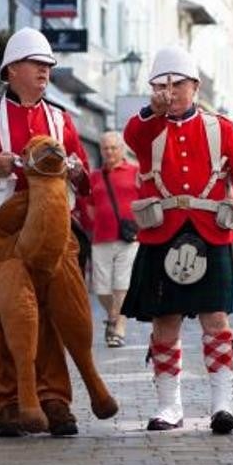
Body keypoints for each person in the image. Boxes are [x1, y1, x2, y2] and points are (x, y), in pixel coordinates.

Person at [0, 27, 92, 437]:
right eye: (35, 64)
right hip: (3, 228)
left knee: (56, 314)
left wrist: (77, 172)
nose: (44, 71)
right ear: (12, 69)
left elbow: (86, 178)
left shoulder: (62, 119)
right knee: (7, 317)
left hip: (52, 229)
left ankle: (55, 400)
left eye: (47, 65)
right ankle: (10, 402)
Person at [121, 45, 233, 435]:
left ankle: (222, 404)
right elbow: (134, 136)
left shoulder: (220, 127)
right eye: (161, 85)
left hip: (210, 230)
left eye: (177, 84)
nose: (169, 92)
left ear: (195, 87)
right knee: (164, 321)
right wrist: (152, 110)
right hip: (162, 231)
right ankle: (169, 406)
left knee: (216, 320)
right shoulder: (147, 126)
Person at [81, 130, 140, 348]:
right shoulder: (95, 176)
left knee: (122, 283)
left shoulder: (135, 172)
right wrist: (99, 222)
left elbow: (145, 201)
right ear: (101, 150)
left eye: (114, 148)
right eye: (106, 148)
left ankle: (118, 327)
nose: (110, 152)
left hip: (129, 237)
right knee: (102, 288)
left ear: (122, 149)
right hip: (101, 238)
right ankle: (113, 316)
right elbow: (89, 205)